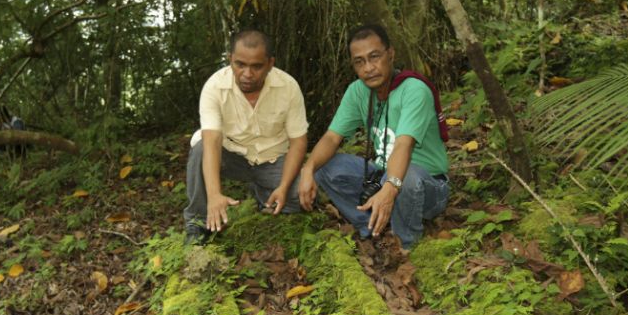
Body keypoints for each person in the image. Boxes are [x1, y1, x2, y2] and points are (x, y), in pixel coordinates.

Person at [298, 24, 450, 250]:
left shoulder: (414, 90)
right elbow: (332, 138)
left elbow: (403, 145)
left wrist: (390, 187)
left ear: (391, 54)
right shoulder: (357, 91)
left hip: (427, 186)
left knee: (403, 177)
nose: (369, 68)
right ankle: (371, 226)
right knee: (325, 166)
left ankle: (407, 244)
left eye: (375, 57)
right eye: (360, 61)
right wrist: (308, 168)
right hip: (383, 174)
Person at [183, 29, 309, 243]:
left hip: (273, 160)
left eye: (256, 66)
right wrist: (214, 195)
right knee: (201, 147)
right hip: (233, 157)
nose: (247, 74)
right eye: (240, 64)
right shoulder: (214, 87)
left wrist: (284, 187)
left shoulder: (288, 87)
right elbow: (212, 140)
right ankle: (197, 224)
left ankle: (263, 193)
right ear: (230, 59)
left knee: (301, 196)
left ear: (270, 63)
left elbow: (298, 141)